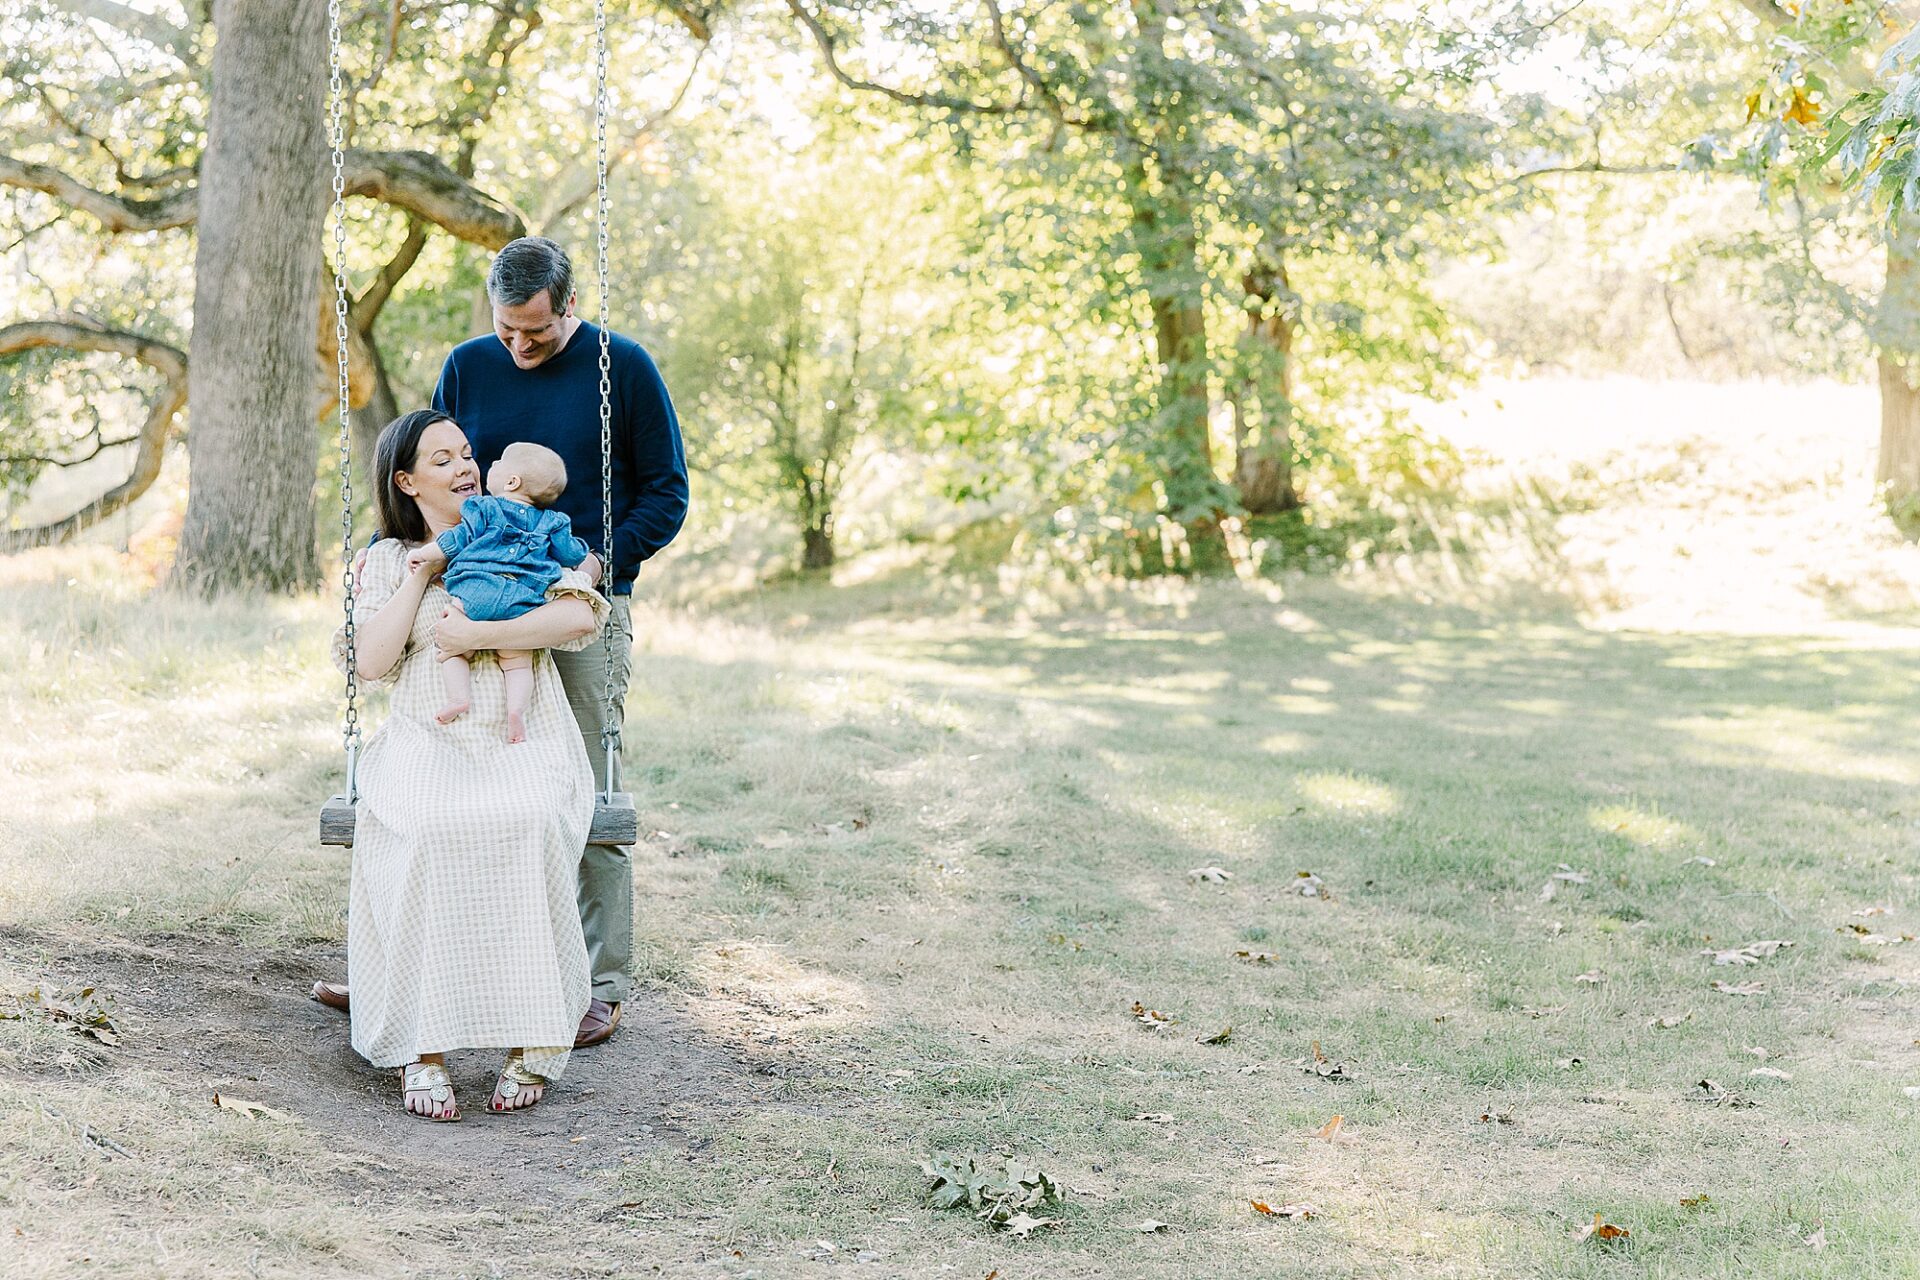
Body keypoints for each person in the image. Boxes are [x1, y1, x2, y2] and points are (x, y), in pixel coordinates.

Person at [316, 236, 689, 1050]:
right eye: (507, 329)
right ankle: (400, 965)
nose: (518, 347)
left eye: (537, 333)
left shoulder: (622, 369)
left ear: (570, 309)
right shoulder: (469, 363)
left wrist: (599, 559)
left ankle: (599, 982)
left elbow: (668, 492)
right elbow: (439, 460)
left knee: (580, 781)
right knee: (438, 779)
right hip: (466, 578)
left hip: (570, 587)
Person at [332, 409, 607, 1121]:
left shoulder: (524, 530)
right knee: (423, 828)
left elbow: (578, 621)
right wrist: (427, 573)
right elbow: (372, 661)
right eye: (444, 459)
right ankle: (421, 1048)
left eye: (468, 454)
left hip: (523, 732)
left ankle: (535, 1040)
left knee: (530, 821)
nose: (465, 468)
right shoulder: (388, 559)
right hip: (429, 734)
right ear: (406, 480)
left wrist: (484, 630)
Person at [406, 441, 592, 743]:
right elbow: (571, 555)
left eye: (498, 462)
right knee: (518, 660)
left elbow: (460, 537)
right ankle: (516, 711)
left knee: (451, 645)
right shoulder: (554, 521)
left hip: (477, 589)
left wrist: (428, 552)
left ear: (511, 482)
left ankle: (458, 697)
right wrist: (582, 550)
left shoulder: (486, 507)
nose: (488, 466)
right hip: (523, 598)